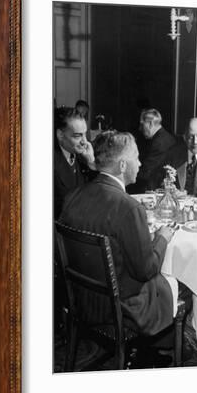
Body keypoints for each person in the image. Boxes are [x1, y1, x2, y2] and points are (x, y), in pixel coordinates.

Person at [59, 130, 180, 336]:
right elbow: (146, 271)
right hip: (119, 309)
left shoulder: (72, 196)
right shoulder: (129, 208)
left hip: (81, 300)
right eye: (137, 158)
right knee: (175, 280)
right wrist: (162, 238)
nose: (140, 164)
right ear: (123, 166)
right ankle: (167, 347)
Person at [53, 106, 95, 219]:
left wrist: (91, 162)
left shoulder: (83, 155)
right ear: (60, 135)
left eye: (85, 134)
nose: (85, 142)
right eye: (78, 136)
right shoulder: (50, 162)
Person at [129, 108, 177, 193]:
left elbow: (145, 173)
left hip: (153, 189)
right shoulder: (162, 137)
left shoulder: (159, 143)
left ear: (150, 124)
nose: (140, 129)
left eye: (142, 125)